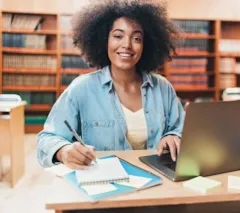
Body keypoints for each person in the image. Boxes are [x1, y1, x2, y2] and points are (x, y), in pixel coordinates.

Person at [37, 0, 184, 169]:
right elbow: (47, 138)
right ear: (104, 40)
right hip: (105, 186)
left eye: (137, 38)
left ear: (146, 45)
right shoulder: (81, 88)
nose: (127, 45)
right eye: (118, 36)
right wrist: (63, 151)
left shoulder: (163, 88)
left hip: (159, 183)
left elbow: (180, 129)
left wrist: (174, 136)